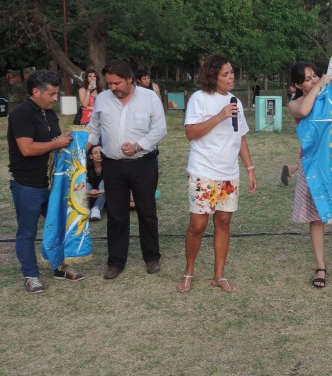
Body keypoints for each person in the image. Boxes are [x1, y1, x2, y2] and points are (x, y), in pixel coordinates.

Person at [176, 54, 257, 294]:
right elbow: (190, 133)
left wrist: (250, 168)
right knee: (198, 225)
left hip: (229, 175)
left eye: (232, 72)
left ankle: (218, 275)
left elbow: (240, 136)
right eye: (225, 74)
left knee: (224, 222)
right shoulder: (199, 100)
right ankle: (188, 271)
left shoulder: (236, 101)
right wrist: (220, 115)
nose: (231, 77)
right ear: (213, 76)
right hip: (203, 172)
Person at [87, 59, 167, 280]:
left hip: (143, 164)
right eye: (110, 83)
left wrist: (138, 145)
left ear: (130, 79)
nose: (113, 87)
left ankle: (151, 258)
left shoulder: (149, 97)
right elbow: (93, 129)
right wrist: (81, 146)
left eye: (117, 83)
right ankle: (115, 262)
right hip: (112, 165)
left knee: (147, 211)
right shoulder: (102, 99)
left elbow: (160, 129)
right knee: (116, 215)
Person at [8, 70, 84, 293]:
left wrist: (70, 141)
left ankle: (59, 266)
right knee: (27, 231)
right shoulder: (21, 114)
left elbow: (54, 142)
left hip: (52, 183)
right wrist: (58, 143)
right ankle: (31, 275)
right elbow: (27, 148)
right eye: (51, 94)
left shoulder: (49, 113)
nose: (55, 99)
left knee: (59, 225)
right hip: (27, 184)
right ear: (35, 92)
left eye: (56, 94)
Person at [288, 62, 332, 291]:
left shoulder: (330, 99)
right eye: (307, 79)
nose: (313, 81)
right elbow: (304, 111)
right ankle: (321, 267)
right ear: (297, 85)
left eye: (315, 76)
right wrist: (318, 87)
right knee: (316, 218)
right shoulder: (295, 103)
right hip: (311, 167)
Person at [86, 145, 105, 220]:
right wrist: (88, 191)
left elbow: (112, 185)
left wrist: (100, 191)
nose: (99, 155)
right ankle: (86, 209)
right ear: (90, 156)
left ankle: (96, 209)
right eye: (95, 153)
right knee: (87, 185)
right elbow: (82, 183)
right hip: (90, 193)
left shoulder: (109, 166)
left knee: (103, 183)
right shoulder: (87, 167)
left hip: (104, 193)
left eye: (101, 152)